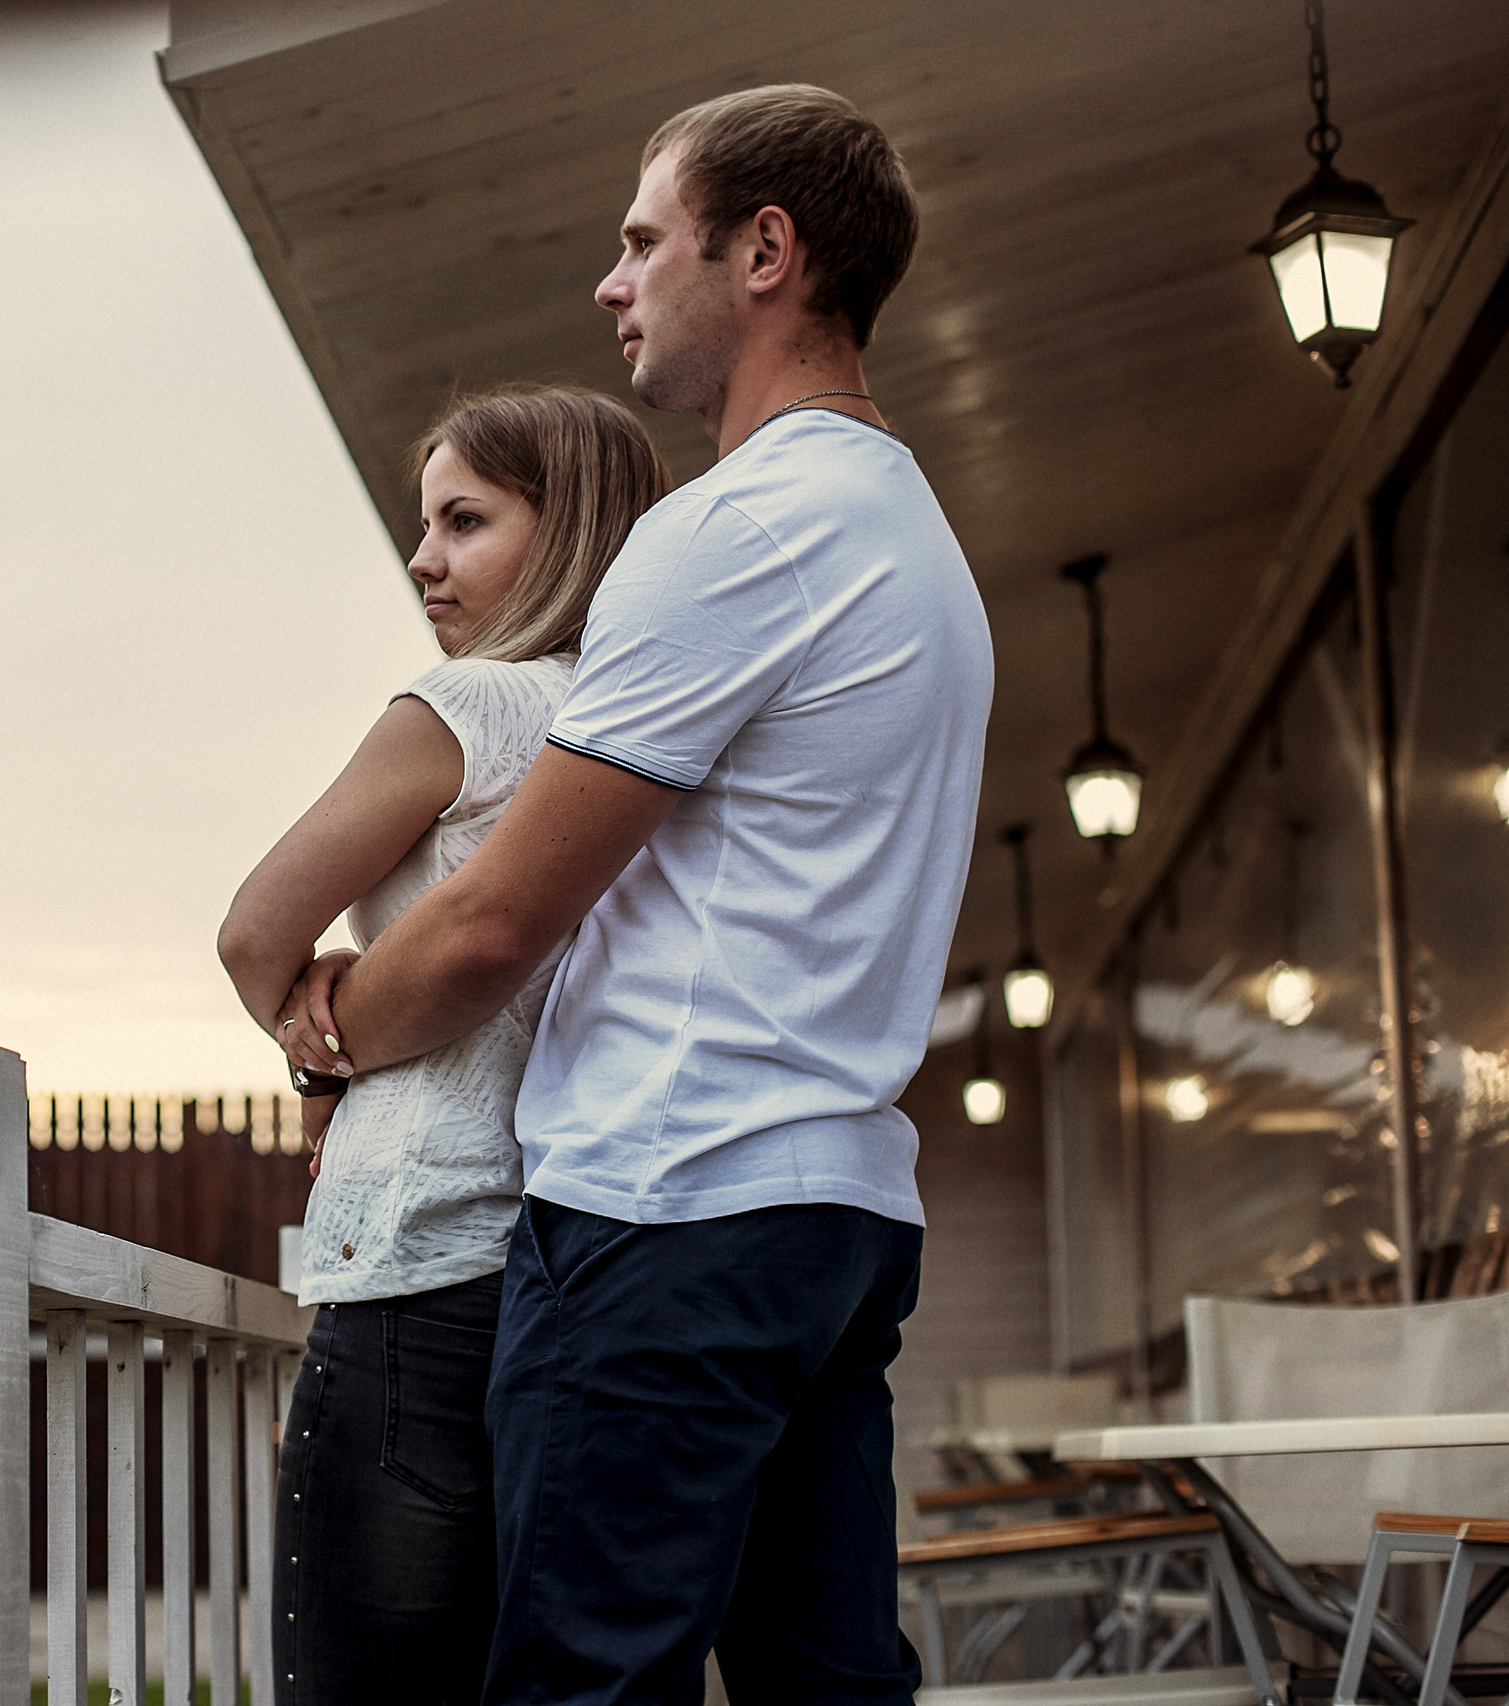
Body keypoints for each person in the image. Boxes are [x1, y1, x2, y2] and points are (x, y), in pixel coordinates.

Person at [276, 86, 993, 1705]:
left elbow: (491, 922)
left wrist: (330, 1030)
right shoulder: (917, 541)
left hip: (671, 1220)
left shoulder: (731, 532)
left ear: (764, 251)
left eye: (640, 239)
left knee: (586, 1686)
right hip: (838, 1218)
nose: (611, 282)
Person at [218, 384, 665, 1706]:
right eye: (426, 525)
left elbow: (254, 934)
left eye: (465, 521)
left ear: (571, 529)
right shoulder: (643, 734)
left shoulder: (469, 704)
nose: (426, 559)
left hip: (413, 1265)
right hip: (563, 1278)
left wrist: (316, 1044)